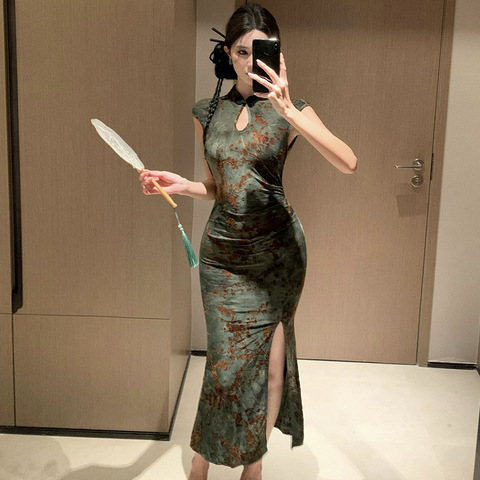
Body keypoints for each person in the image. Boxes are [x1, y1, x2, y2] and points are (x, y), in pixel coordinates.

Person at [140, 4, 357, 479]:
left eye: (260, 52)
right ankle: (201, 460)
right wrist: (182, 185)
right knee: (224, 365)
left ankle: (253, 465)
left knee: (271, 368)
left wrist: (287, 109)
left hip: (277, 257)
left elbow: (348, 162)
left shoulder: (293, 111)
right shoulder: (206, 111)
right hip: (222, 256)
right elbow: (220, 186)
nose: (249, 62)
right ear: (227, 53)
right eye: (241, 51)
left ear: (277, 55)